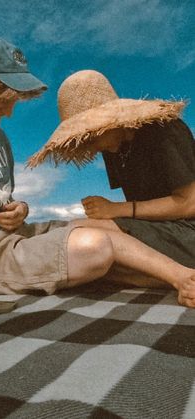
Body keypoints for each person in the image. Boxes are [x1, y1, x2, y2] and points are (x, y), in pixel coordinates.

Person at [28, 69, 195, 307]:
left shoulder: (167, 131)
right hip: (161, 229)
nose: (90, 147)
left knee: (88, 236)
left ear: (108, 123)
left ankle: (175, 275)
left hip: (189, 230)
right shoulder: (113, 149)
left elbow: (190, 203)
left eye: (90, 137)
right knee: (78, 239)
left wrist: (116, 209)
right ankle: (165, 273)